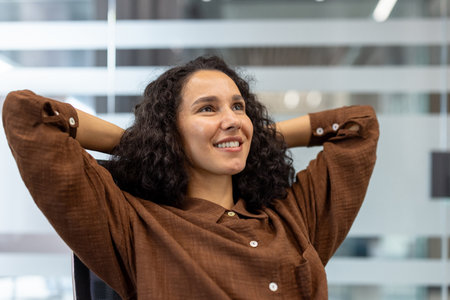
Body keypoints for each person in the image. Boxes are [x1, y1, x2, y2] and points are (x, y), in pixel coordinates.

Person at [2, 56, 379, 299]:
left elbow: (358, 126)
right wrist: (141, 145)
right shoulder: (135, 228)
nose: (231, 117)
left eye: (238, 107)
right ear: (170, 132)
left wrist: (254, 136)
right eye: (207, 109)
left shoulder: (293, 218)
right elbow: (29, 115)